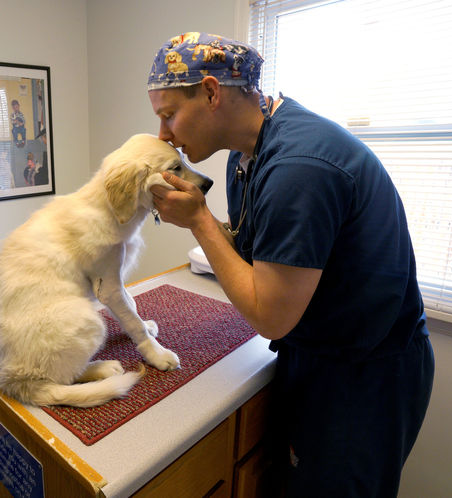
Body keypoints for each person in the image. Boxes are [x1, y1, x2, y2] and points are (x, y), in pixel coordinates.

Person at [147, 32, 434, 497]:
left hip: (365, 373)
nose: (164, 134)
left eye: (168, 114)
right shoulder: (247, 154)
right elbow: (253, 252)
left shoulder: (300, 165)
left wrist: (199, 220)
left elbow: (270, 315)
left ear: (211, 92)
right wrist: (197, 218)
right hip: (316, 349)